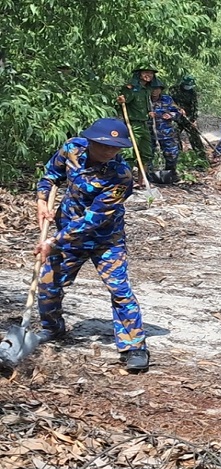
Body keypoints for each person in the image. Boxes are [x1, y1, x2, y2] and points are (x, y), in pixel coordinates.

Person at [34, 118, 150, 372]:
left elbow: (94, 219)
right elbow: (51, 175)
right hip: (66, 231)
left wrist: (55, 241)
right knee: (48, 284)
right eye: (104, 146)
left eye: (116, 148)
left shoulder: (121, 176)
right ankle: (51, 329)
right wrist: (42, 200)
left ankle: (134, 347)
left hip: (105, 238)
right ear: (90, 141)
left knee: (119, 290)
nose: (110, 152)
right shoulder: (72, 149)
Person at [116, 64, 160, 178]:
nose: (148, 75)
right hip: (132, 124)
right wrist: (121, 100)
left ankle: (141, 182)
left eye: (151, 73)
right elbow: (123, 101)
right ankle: (125, 181)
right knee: (129, 153)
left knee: (146, 153)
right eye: (145, 72)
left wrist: (149, 113)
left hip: (144, 124)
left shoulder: (147, 89)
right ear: (139, 74)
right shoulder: (131, 88)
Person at [148, 81, 182, 184]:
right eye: (153, 88)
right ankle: (148, 176)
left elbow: (178, 112)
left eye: (158, 89)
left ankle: (171, 174)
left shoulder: (167, 99)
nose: (155, 91)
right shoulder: (145, 100)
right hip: (149, 133)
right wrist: (148, 115)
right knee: (148, 155)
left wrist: (171, 115)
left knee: (172, 154)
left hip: (166, 133)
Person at [169, 75, 207, 161]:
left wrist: (194, 120)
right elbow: (169, 102)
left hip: (188, 119)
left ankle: (202, 158)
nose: (188, 87)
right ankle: (179, 158)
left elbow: (194, 107)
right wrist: (178, 108)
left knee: (195, 136)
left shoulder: (192, 92)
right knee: (174, 136)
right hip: (176, 118)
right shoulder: (173, 90)